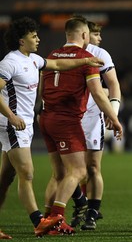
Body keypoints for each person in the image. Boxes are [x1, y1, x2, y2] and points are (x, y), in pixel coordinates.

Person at [0, 17, 104, 238]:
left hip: (25, 124)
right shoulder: (10, 62)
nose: (38, 39)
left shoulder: (33, 60)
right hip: (12, 124)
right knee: (26, 173)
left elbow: (58, 64)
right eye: (33, 36)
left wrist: (85, 61)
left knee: (6, 177)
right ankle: (41, 222)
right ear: (21, 40)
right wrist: (11, 116)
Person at [39, 15, 123, 235]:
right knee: (78, 170)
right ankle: (57, 217)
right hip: (68, 120)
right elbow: (98, 92)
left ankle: (45, 220)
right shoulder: (86, 58)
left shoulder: (52, 54)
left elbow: (41, 90)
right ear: (85, 35)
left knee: (59, 174)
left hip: (46, 117)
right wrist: (114, 118)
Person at [69, 21, 122, 231]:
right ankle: (81, 203)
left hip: (92, 117)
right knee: (68, 170)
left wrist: (113, 113)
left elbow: (113, 84)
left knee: (92, 167)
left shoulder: (100, 54)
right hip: (69, 117)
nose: (99, 38)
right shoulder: (65, 54)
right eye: (96, 34)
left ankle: (91, 212)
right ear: (84, 34)